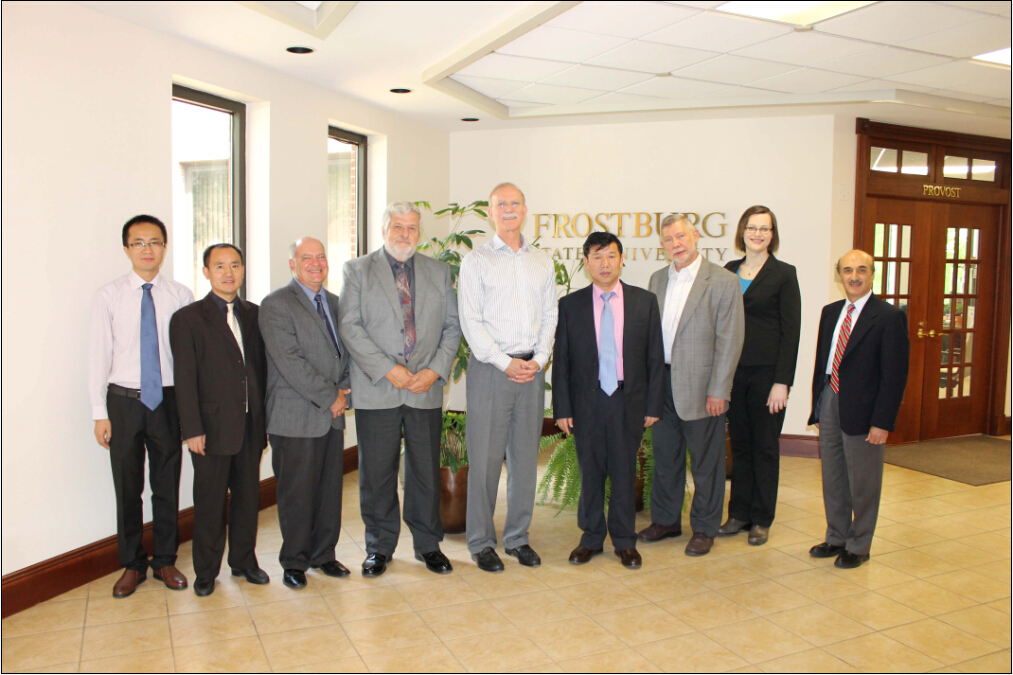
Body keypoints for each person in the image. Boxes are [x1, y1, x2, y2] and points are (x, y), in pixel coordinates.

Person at [338, 202, 462, 577]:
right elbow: (350, 326)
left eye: (411, 228)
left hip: (424, 388)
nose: (405, 234)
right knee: (377, 474)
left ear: (418, 232)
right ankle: (379, 547)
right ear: (384, 230)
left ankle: (428, 545)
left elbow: (452, 327)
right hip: (378, 387)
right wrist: (387, 368)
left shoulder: (438, 272)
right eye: (397, 227)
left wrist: (435, 371)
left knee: (424, 471)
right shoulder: (357, 270)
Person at [88, 214, 193, 597]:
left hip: (168, 400)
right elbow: (98, 357)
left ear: (164, 247)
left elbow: (188, 359)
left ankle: (165, 559)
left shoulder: (180, 296)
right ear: (127, 249)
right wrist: (99, 413)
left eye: (154, 242)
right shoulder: (109, 296)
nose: (147, 250)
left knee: (166, 485)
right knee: (127, 486)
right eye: (139, 243)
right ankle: (132, 563)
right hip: (124, 402)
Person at [458, 182, 557, 573]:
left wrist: (541, 359)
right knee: (484, 461)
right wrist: (503, 362)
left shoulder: (542, 261)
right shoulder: (476, 261)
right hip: (491, 371)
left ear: (525, 210)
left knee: (524, 460)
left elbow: (550, 315)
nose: (509, 209)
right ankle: (481, 542)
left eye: (515, 203)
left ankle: (517, 537)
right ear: (491, 212)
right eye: (502, 204)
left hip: (531, 372)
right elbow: (471, 320)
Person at [553, 232, 665, 569]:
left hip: (627, 400)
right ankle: (590, 538)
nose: (605, 264)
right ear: (586, 263)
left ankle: (625, 541)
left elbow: (654, 357)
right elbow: (562, 361)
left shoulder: (644, 301)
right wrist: (563, 408)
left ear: (621, 260)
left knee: (623, 472)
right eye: (597, 257)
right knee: (590, 474)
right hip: (585, 402)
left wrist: (653, 405)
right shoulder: (570, 305)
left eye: (611, 256)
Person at [638, 214, 744, 557]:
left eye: (681, 236)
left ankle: (704, 527)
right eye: (669, 239)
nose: (676, 244)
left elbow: (730, 340)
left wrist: (720, 389)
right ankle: (666, 520)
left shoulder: (724, 281)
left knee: (706, 463)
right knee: (665, 458)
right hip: (662, 384)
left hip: (703, 388)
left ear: (696, 235)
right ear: (662, 245)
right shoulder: (657, 279)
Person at [170, 243, 269, 597]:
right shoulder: (187, 319)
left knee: (247, 499)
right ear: (206, 272)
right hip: (209, 431)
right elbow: (185, 379)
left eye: (235, 265)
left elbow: (260, 370)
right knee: (210, 504)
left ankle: (244, 561)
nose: (229, 272)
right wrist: (192, 429)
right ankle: (206, 571)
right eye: (220, 266)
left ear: (243, 270)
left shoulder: (255, 314)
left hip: (250, 426)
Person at [259, 237, 352, 589]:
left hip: (332, 414)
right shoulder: (276, 304)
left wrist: (344, 391)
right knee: (296, 493)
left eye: (321, 257)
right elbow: (289, 361)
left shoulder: (336, 303)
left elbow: (347, 354)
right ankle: (294, 562)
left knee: (329, 491)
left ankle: (324, 554)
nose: (316, 263)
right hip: (294, 416)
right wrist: (331, 396)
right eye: (306, 257)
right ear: (292, 264)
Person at [808, 250, 909, 569]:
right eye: (848, 270)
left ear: (872, 275)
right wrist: (818, 406)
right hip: (830, 400)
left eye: (862, 270)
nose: (854, 276)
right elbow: (823, 362)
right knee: (833, 476)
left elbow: (894, 376)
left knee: (864, 481)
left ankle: (859, 544)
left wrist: (882, 422)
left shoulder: (889, 316)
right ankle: (836, 537)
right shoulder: (830, 312)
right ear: (839, 275)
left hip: (866, 411)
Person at [719, 206, 801, 546]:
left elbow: (791, 331)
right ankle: (739, 514)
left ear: (772, 235)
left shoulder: (784, 274)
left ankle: (762, 518)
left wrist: (783, 382)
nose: (758, 234)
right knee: (740, 446)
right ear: (742, 231)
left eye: (765, 229)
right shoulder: (728, 271)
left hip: (768, 377)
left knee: (765, 448)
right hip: (733, 375)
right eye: (752, 227)